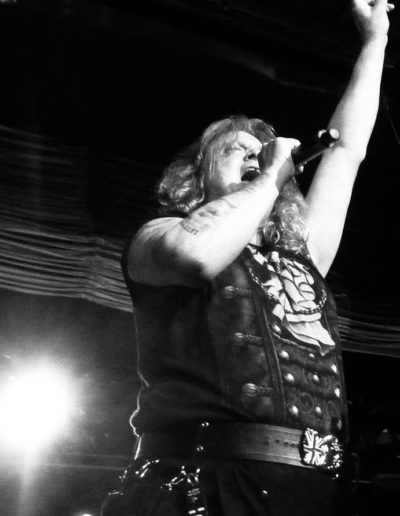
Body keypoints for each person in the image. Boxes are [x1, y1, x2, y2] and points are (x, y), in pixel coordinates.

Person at [101, 0, 393, 514]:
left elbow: (347, 151)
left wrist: (376, 39)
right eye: (239, 149)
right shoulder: (159, 235)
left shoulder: (304, 254)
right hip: (203, 481)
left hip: (308, 489)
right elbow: (197, 257)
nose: (258, 152)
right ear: (198, 175)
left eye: (264, 148)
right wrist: (271, 177)